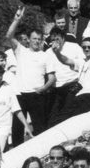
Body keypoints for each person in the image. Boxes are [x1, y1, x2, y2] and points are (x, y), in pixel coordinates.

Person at [4, 7, 56, 139]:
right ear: (29, 39)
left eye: (39, 39)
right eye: (34, 38)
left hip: (37, 95)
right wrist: (17, 19)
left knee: (40, 128)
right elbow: (9, 35)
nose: (37, 41)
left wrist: (42, 89)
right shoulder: (21, 50)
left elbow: (52, 78)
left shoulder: (46, 56)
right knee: (17, 129)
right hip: (20, 94)